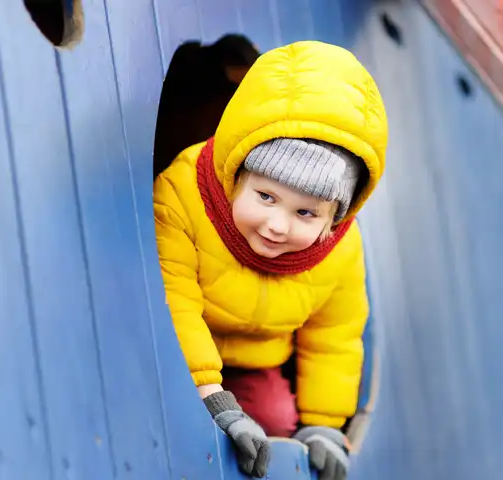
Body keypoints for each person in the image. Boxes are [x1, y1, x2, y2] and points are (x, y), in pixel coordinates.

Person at [153, 40, 387, 479]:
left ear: (335, 217)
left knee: (276, 422)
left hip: (254, 359)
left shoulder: (338, 249)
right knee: (173, 421)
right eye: (265, 196)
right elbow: (175, 300)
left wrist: (323, 426)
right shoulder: (184, 195)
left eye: (305, 213)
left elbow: (334, 336)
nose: (277, 225)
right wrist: (211, 397)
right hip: (174, 353)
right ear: (237, 172)